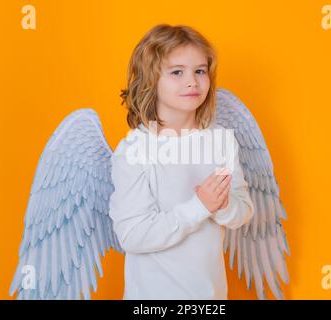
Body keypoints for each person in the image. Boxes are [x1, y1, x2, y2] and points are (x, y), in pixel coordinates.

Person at [109, 24, 254, 300]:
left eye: (200, 71)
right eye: (177, 72)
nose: (193, 82)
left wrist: (223, 205)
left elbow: (242, 211)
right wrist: (199, 207)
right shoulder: (134, 150)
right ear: (150, 80)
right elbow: (133, 234)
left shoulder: (220, 140)